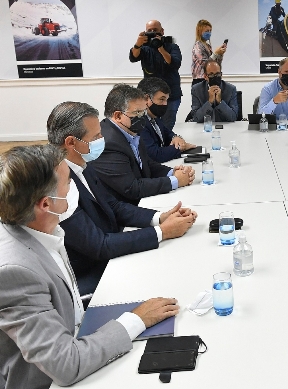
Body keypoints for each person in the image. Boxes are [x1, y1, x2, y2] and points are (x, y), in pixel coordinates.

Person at [0, 144, 179, 389]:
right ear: (46, 204)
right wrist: (137, 320)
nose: (73, 187)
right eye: (68, 183)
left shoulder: (41, 228)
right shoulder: (15, 271)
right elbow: (65, 365)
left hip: (79, 335)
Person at [47, 101, 197, 295]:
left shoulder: (81, 164)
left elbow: (113, 205)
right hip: (93, 273)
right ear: (71, 142)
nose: (102, 139)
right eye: (96, 136)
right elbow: (99, 246)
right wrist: (162, 232)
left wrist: (160, 217)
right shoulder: (57, 184)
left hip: (112, 250)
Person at [92, 84, 195, 206]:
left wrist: (172, 172)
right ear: (118, 116)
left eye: (144, 112)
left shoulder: (130, 131)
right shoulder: (108, 143)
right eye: (137, 112)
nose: (143, 117)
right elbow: (132, 188)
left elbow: (146, 164)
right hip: (125, 208)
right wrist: (175, 181)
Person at [130, 19, 182, 130]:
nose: (153, 32)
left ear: (162, 31)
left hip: (170, 96)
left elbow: (175, 64)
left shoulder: (172, 47)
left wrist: (161, 48)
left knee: (167, 126)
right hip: (150, 96)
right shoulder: (144, 48)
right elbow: (133, 57)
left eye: (155, 30)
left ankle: (165, 141)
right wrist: (137, 44)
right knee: (149, 126)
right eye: (149, 31)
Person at [137, 77, 196, 163]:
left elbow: (167, 133)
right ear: (146, 98)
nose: (165, 104)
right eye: (162, 99)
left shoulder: (154, 117)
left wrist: (176, 138)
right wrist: (181, 147)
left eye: (166, 100)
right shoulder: (139, 121)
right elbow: (155, 155)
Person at [191, 19, 227, 86]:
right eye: (207, 31)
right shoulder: (198, 46)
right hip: (200, 80)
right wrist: (215, 53)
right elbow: (205, 64)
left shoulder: (208, 46)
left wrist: (220, 54)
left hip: (210, 79)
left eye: (210, 31)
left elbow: (216, 65)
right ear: (200, 32)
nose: (209, 33)